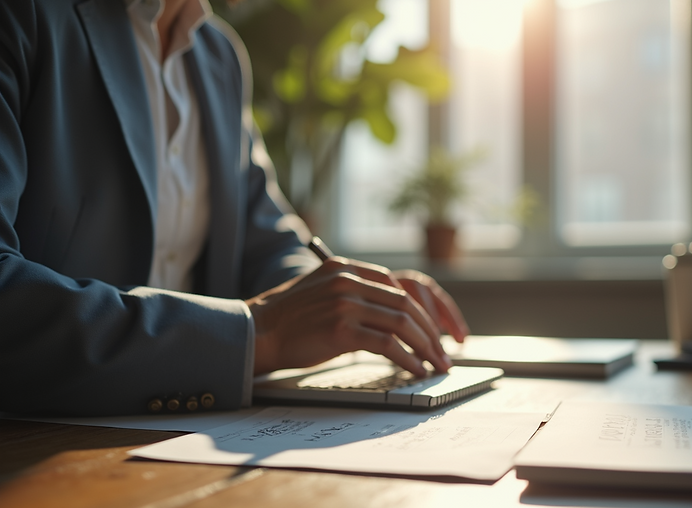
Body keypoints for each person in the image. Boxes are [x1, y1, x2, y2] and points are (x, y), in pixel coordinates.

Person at [0, 0, 469, 416]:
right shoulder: (24, 16)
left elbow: (266, 237)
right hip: (39, 442)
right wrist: (259, 330)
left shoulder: (218, 54)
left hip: (188, 434)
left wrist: (350, 298)